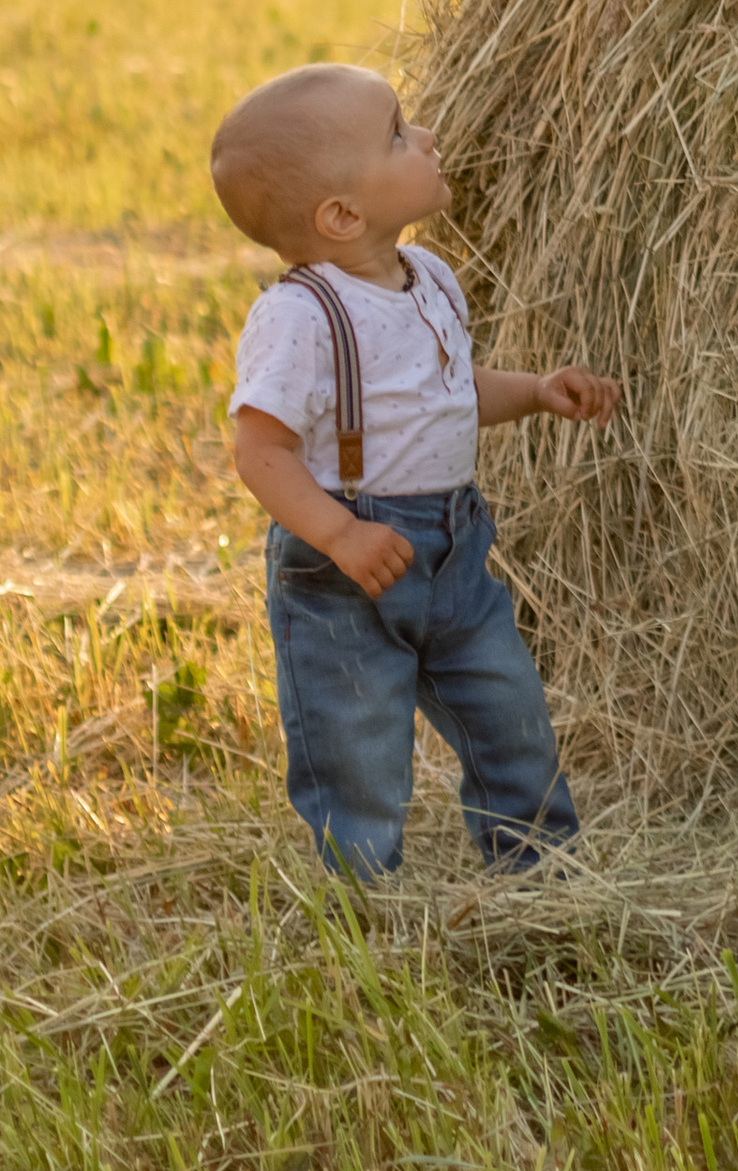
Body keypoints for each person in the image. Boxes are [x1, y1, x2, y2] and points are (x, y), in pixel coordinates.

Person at [215, 60, 619, 881]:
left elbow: (449, 391)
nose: (427, 137)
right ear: (341, 214)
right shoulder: (299, 315)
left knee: (508, 711)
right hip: (346, 569)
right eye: (399, 135)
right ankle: (365, 897)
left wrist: (536, 391)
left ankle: (541, 872)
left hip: (454, 549)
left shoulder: (429, 278)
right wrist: (340, 535)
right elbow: (260, 450)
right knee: (356, 743)